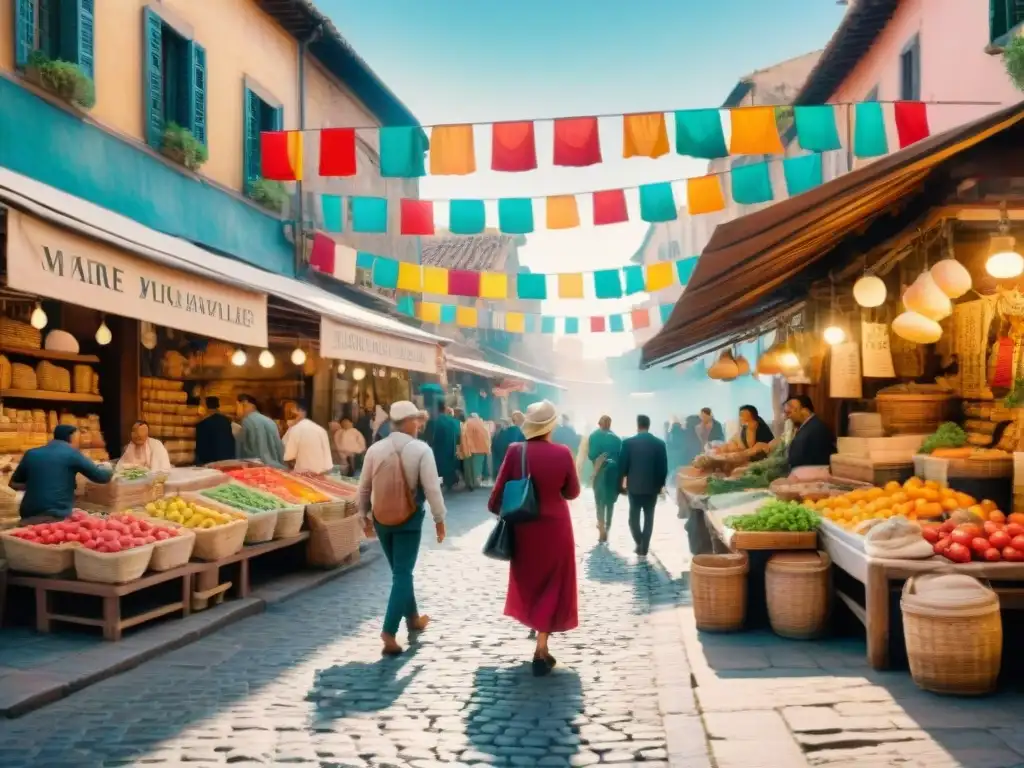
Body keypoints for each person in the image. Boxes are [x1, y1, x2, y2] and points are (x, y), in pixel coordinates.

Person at [488, 400, 580, 677]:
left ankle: (539, 638)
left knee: (531, 580)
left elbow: (497, 495)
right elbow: (573, 491)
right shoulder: (563, 453)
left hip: (525, 529)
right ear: (551, 426)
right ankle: (542, 646)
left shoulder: (516, 452)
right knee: (554, 582)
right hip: (556, 529)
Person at [358, 401, 447, 656]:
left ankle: (413, 618)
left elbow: (363, 487)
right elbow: (431, 489)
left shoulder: (375, 449)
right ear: (407, 422)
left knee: (400, 572)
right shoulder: (421, 450)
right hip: (409, 519)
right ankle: (389, 631)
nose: (419, 425)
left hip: (381, 519)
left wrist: (362, 516)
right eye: (416, 420)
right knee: (403, 574)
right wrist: (439, 519)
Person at [10, 425, 113, 522]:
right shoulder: (72, 454)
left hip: (28, 515)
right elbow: (102, 477)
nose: (78, 443)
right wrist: (108, 467)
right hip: (56, 515)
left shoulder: (31, 454)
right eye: (77, 438)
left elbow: (13, 483)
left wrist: (36, 484)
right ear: (71, 438)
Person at [618, 414, 668, 558]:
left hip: (634, 487)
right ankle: (644, 547)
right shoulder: (659, 444)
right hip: (652, 488)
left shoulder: (628, 443)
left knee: (633, 518)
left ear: (638, 425)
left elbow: (623, 466)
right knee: (649, 517)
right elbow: (663, 468)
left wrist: (621, 484)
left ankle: (639, 543)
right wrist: (660, 485)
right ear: (648, 425)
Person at [587, 415, 622, 544]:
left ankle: (601, 526)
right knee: (610, 502)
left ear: (599, 423)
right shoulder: (617, 439)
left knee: (599, 501)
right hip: (614, 473)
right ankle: (607, 527)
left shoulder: (594, 436)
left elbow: (591, 455)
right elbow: (621, 456)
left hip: (600, 472)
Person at [784, 395, 836, 469]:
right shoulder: (811, 426)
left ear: (805, 411)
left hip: (809, 474)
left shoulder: (814, 429)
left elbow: (797, 459)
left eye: (791, 412)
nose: (788, 417)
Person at [282, 402, 334, 474]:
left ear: (302, 412)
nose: (290, 418)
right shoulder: (321, 430)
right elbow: (328, 461)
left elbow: (288, 456)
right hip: (322, 474)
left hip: (303, 474)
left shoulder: (295, 430)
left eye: (292, 414)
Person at [236, 394, 285, 468]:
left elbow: (246, 452)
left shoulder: (247, 421)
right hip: (275, 468)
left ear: (244, 403)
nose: (236, 410)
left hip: (257, 470)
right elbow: (279, 448)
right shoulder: (270, 421)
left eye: (236, 406)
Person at [429, 401, 461, 491]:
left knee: (441, 466)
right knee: (448, 466)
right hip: (451, 448)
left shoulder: (436, 421)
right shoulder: (451, 421)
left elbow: (434, 437)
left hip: (440, 449)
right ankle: (451, 481)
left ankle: (449, 481)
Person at [195, 396, 236, 466]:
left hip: (211, 463)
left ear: (205, 407)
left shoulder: (203, 424)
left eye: (202, 405)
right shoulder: (226, 421)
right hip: (228, 460)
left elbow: (201, 447)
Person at [460, 412, 491, 490]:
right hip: (480, 449)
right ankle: (476, 482)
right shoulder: (482, 424)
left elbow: (463, 436)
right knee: (477, 467)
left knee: (468, 466)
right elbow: (486, 437)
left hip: (468, 448)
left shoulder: (466, 424)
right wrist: (487, 449)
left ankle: (469, 483)